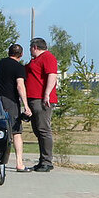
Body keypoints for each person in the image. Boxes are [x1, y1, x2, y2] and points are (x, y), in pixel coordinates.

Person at [0, 43, 32, 172]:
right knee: (16, 132)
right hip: (10, 100)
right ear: (21, 54)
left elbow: (2, 77)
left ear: (9, 52)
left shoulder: (2, 63)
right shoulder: (19, 68)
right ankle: (19, 163)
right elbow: (20, 85)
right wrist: (26, 106)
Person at [25, 37, 59, 172]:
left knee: (44, 130)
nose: (30, 50)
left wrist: (47, 94)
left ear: (35, 47)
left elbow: (52, 75)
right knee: (38, 130)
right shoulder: (35, 60)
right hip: (33, 98)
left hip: (41, 99)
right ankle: (42, 160)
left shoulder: (48, 57)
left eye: (30, 48)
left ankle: (47, 161)